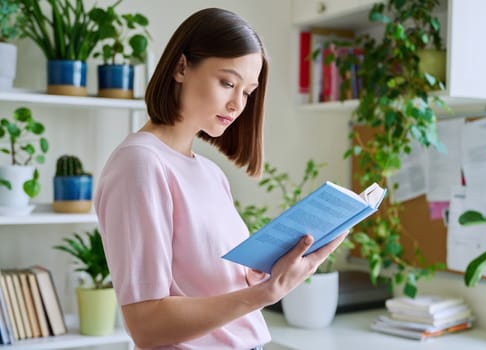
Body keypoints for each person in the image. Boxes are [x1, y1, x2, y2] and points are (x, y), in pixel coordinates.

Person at [94, 7, 348, 350]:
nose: (236, 104)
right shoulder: (140, 163)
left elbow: (213, 284)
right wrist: (264, 294)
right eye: (228, 83)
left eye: (247, 92)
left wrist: (272, 271)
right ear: (181, 67)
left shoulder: (211, 174)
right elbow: (146, 324)